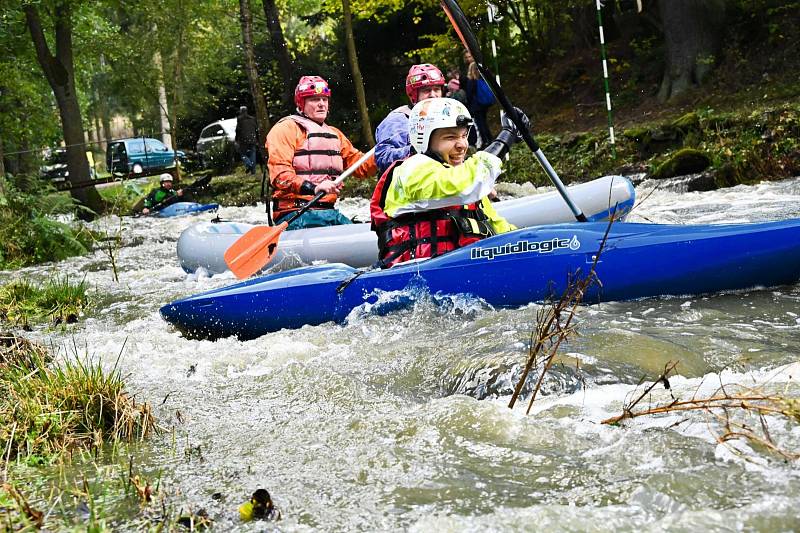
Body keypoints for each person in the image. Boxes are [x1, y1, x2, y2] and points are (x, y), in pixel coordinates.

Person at [370, 98, 529, 268]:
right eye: (450, 137)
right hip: (415, 273)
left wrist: (528, 243)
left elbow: (499, 228)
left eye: (463, 135)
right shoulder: (411, 170)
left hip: (462, 269)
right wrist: (505, 137)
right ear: (424, 139)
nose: (462, 145)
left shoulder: (465, 181)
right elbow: (463, 186)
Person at [266, 75, 377, 229]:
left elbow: (361, 166)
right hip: (295, 214)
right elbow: (280, 176)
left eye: (324, 99)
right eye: (313, 99)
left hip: (328, 213)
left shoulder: (334, 134)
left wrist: (382, 154)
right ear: (301, 104)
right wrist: (314, 187)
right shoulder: (286, 129)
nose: (321, 104)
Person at [373, 63, 445, 176]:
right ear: (414, 94)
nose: (433, 95)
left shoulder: (445, 116)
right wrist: (414, 151)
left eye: (436, 89)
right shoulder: (398, 119)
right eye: (426, 90)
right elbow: (383, 157)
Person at [235, 105, 259, 174]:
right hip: (252, 139)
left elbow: (238, 130)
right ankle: (253, 171)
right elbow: (256, 129)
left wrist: (236, 139)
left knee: (243, 154)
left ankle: (249, 164)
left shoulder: (240, 119)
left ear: (241, 111)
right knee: (253, 154)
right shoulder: (252, 119)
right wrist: (256, 139)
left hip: (243, 140)